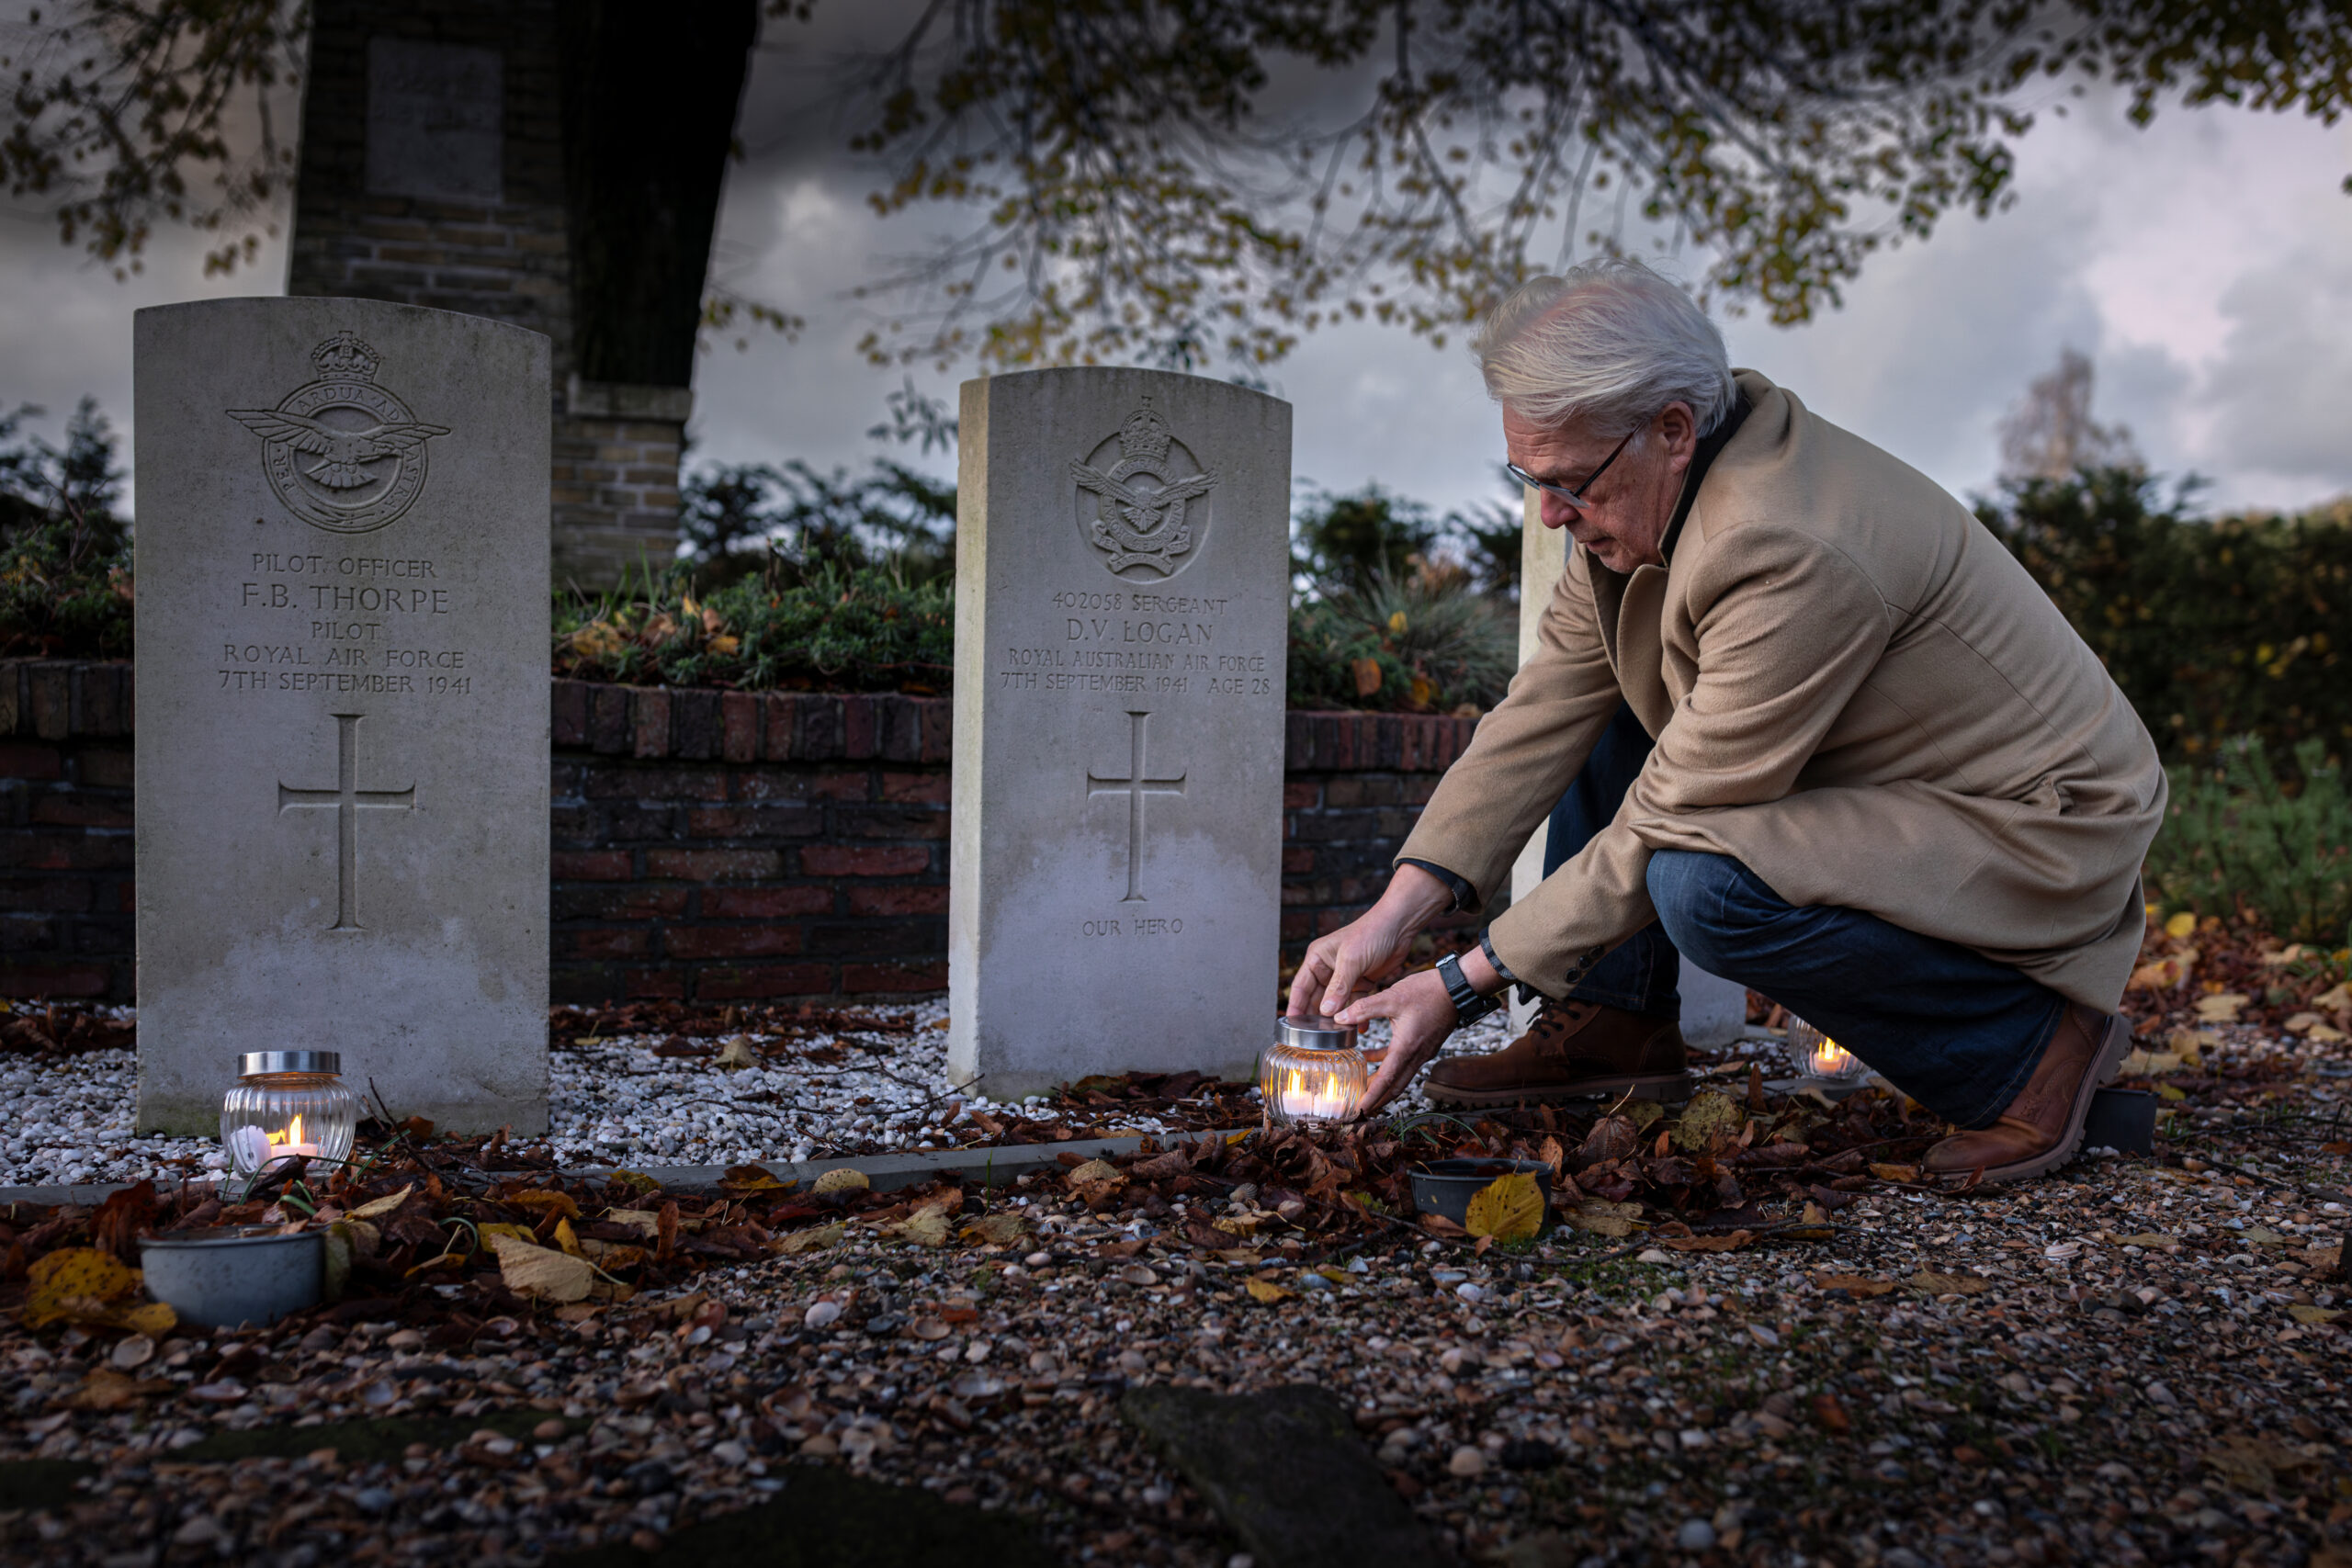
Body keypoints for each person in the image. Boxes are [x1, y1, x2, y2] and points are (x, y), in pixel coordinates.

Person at [1285, 259, 2165, 1186]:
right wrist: (1392, 917)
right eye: (1526, 477)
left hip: (2035, 816)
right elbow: (1544, 708)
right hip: (1901, 785)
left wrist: (1459, 985)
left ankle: (2027, 1054)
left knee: (1704, 886)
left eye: (1568, 481)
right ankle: (1614, 1018)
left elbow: (1676, 813)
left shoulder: (1784, 540)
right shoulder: (1649, 490)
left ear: (1671, 429)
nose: (1548, 513)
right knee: (1627, 689)